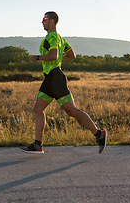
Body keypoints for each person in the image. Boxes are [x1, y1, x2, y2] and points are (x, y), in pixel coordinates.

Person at [20, 11, 107, 154]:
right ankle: (37, 144)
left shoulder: (52, 37)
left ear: (51, 21)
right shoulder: (60, 39)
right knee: (38, 109)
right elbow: (71, 55)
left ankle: (99, 134)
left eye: (44, 19)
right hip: (49, 79)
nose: (42, 22)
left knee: (71, 110)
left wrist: (37, 57)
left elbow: (53, 55)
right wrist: (57, 59)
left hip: (55, 78)